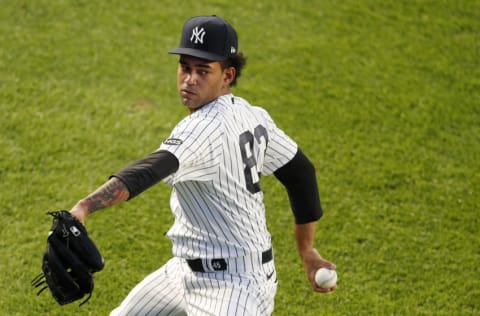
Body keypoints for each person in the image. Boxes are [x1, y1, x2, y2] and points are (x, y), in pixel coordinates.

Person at [70, 15, 336, 316]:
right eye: (185, 67)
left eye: (203, 71)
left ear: (227, 75)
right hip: (183, 272)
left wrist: (85, 206)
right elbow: (301, 173)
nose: (190, 79)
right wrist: (307, 250)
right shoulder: (252, 115)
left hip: (233, 288)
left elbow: (151, 169)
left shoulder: (204, 128)